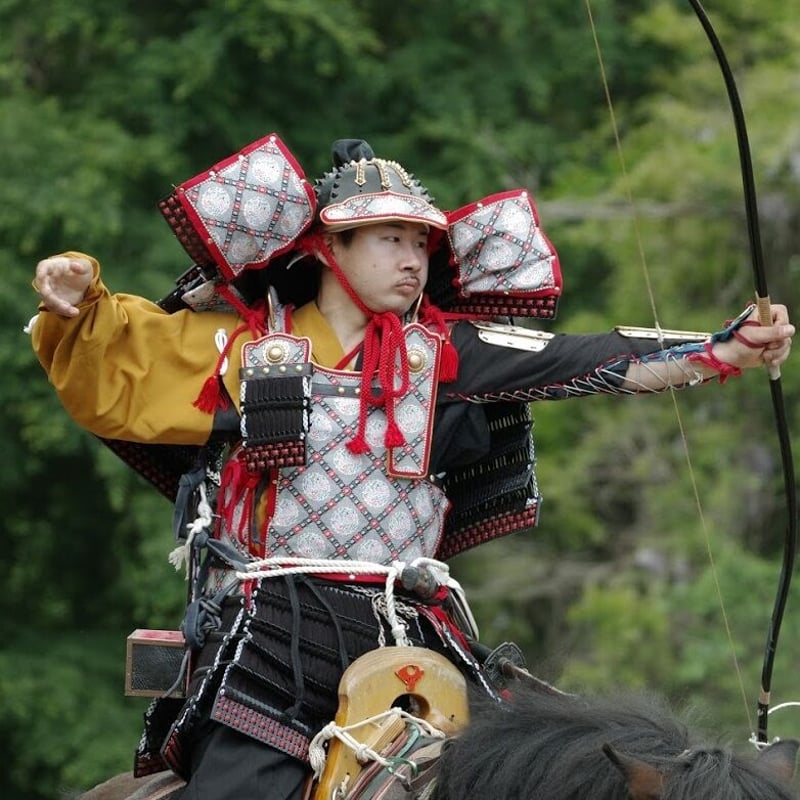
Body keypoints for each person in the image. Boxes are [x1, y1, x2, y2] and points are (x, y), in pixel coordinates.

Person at [29, 135, 793, 800]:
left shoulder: (444, 351)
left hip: (415, 626)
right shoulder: (243, 350)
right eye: (388, 238)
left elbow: (576, 358)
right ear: (329, 249)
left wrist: (720, 350)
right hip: (274, 634)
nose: (411, 258)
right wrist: (76, 300)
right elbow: (121, 361)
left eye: (420, 242)